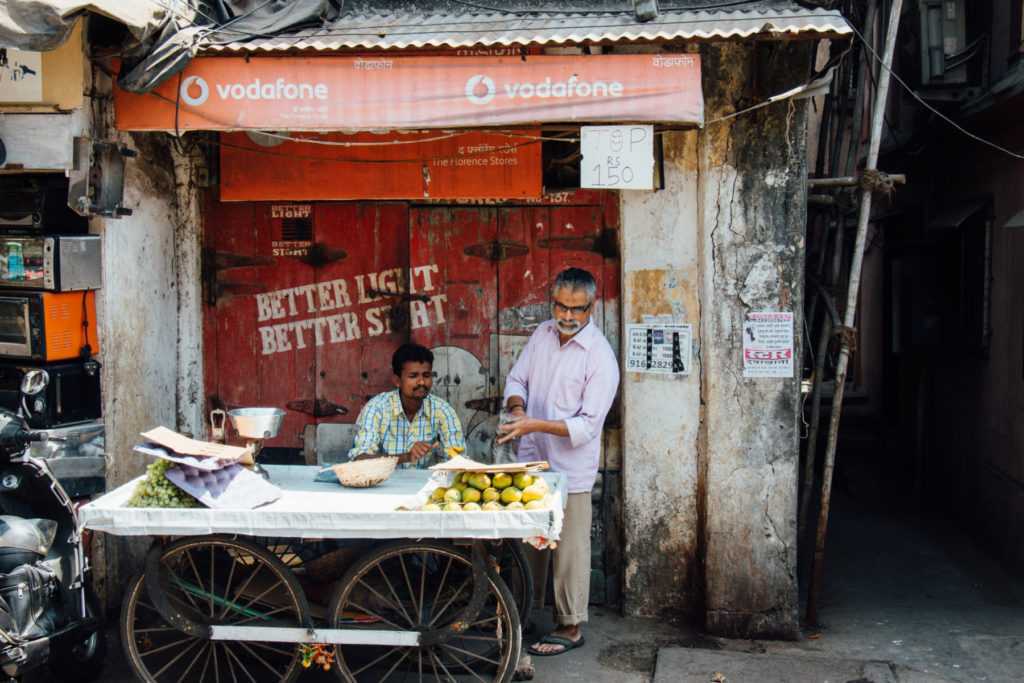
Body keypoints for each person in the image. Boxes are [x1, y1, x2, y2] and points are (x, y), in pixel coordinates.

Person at [498, 267, 620, 658]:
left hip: (571, 471)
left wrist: (535, 423)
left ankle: (570, 625)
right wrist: (518, 410)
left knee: (569, 549)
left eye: (576, 309)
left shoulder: (601, 357)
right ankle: (524, 612)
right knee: (528, 542)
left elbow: (586, 426)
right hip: (533, 461)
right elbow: (517, 380)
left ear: (592, 307)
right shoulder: (542, 336)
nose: (567, 316)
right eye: (561, 306)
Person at [348, 343, 465, 468]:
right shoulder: (377, 408)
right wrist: (406, 457)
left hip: (426, 484)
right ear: (397, 381)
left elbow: (459, 459)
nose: (421, 382)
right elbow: (359, 460)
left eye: (426, 375)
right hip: (384, 484)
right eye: (413, 376)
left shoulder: (442, 410)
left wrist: (448, 457)